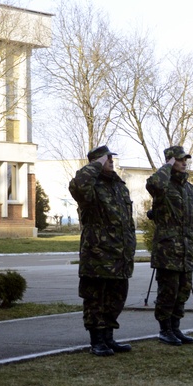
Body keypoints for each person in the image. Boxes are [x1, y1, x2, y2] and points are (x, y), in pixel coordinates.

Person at [68, 145, 136, 356]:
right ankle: (97, 340)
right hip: (98, 256)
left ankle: (108, 337)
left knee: (116, 299)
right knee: (96, 300)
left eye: (111, 158)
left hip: (119, 256)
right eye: (107, 158)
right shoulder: (89, 186)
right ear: (96, 162)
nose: (111, 161)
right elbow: (78, 185)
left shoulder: (119, 186)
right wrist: (96, 164)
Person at [146, 145, 193, 346]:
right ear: (170, 161)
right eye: (179, 159)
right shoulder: (163, 186)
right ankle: (165, 329)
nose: (184, 162)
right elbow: (153, 183)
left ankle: (175, 327)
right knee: (168, 291)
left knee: (183, 290)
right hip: (168, 250)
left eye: (185, 159)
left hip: (185, 249)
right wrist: (167, 166)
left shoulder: (189, 189)